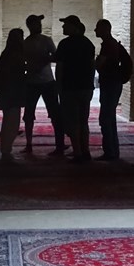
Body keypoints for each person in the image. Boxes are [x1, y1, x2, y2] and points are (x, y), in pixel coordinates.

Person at [55, 14, 96, 163]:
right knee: (83, 121)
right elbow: (92, 67)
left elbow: (60, 67)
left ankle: (78, 153)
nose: (63, 27)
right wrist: (91, 85)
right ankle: (86, 151)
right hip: (85, 87)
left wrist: (59, 87)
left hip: (70, 88)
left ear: (74, 26)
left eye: (65, 25)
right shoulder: (88, 44)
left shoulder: (65, 45)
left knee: (72, 121)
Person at [22, 13, 64, 155]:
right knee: (29, 114)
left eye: (39, 25)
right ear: (30, 26)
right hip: (34, 82)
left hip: (46, 81)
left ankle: (60, 144)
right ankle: (29, 144)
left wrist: (45, 58)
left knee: (55, 113)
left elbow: (57, 57)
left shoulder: (45, 40)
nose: (39, 27)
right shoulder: (26, 43)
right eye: (37, 24)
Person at [0, 28, 27, 162]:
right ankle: (6, 150)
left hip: (8, 91)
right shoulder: (16, 55)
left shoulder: (6, 53)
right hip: (13, 91)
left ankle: (6, 149)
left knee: (9, 121)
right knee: (12, 122)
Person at [94, 18, 124, 161]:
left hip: (110, 84)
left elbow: (99, 65)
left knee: (106, 118)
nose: (95, 30)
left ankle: (110, 152)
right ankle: (112, 151)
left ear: (105, 29)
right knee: (109, 117)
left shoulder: (108, 45)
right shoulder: (110, 44)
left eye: (98, 28)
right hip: (112, 83)